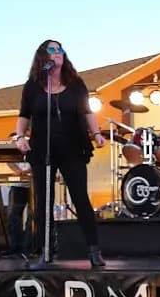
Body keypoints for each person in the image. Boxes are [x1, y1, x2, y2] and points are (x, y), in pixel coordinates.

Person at [14, 39, 106, 267]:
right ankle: (46, 251)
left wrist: (96, 134)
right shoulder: (33, 85)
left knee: (80, 198)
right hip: (43, 148)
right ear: (42, 57)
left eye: (60, 49)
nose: (58, 53)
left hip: (73, 147)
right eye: (53, 50)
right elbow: (24, 114)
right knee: (44, 200)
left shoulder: (75, 84)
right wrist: (20, 137)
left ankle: (94, 250)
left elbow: (86, 111)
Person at [6, 132, 32, 255]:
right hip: (19, 184)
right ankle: (18, 246)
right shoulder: (14, 140)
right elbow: (8, 159)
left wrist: (26, 171)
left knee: (33, 216)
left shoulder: (33, 139)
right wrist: (19, 171)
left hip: (33, 184)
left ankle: (27, 246)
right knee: (15, 216)